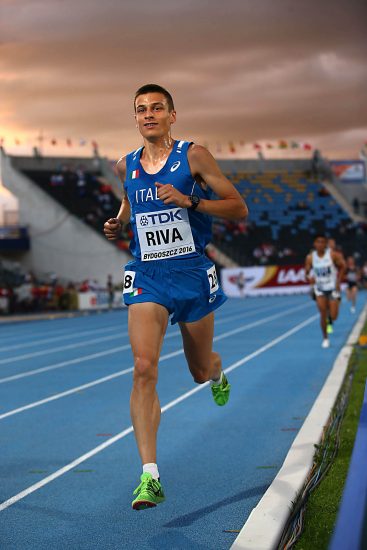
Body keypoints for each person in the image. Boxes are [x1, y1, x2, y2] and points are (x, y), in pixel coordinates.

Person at [103, 84, 248, 510]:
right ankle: (149, 475)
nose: (148, 115)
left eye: (156, 108)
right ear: (134, 118)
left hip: (191, 272)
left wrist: (191, 201)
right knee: (143, 367)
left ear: (172, 115)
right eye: (140, 110)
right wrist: (118, 223)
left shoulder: (195, 156)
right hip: (148, 274)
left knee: (198, 370)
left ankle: (217, 368)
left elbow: (238, 207)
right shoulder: (125, 165)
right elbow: (131, 205)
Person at [305, 234, 346, 348]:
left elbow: (343, 266)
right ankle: (325, 338)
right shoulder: (310, 257)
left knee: (333, 316)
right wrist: (309, 277)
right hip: (320, 289)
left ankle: (330, 318)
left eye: (322, 242)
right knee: (322, 313)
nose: (320, 244)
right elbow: (306, 272)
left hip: (332, 288)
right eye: (318, 242)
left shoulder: (332, 255)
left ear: (326, 244)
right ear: (314, 244)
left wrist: (338, 281)